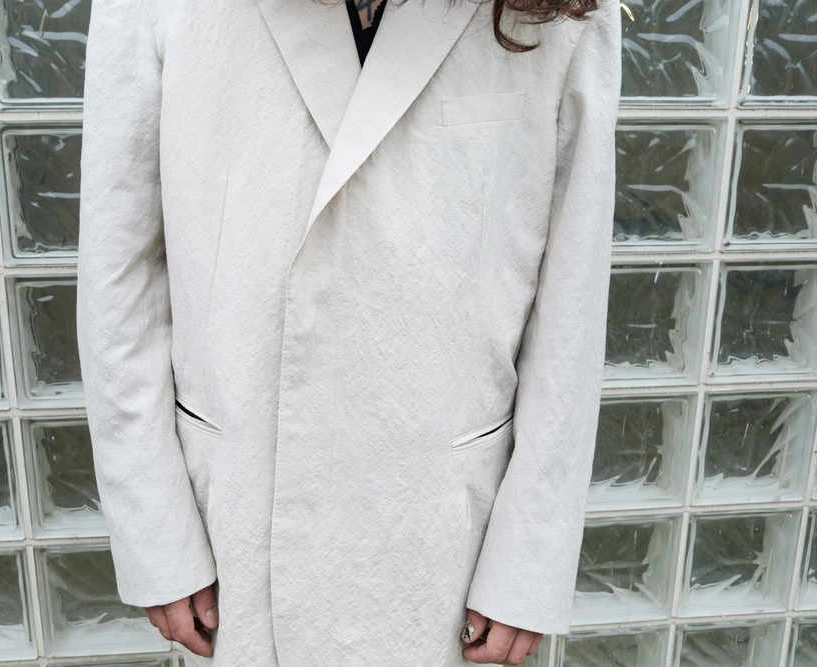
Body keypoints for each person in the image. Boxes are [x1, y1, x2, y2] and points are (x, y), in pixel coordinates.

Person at [76, 0, 622, 664]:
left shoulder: (563, 13)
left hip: (444, 538)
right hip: (241, 528)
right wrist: (157, 535)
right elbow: (120, 274)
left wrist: (528, 561)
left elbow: (571, 297)